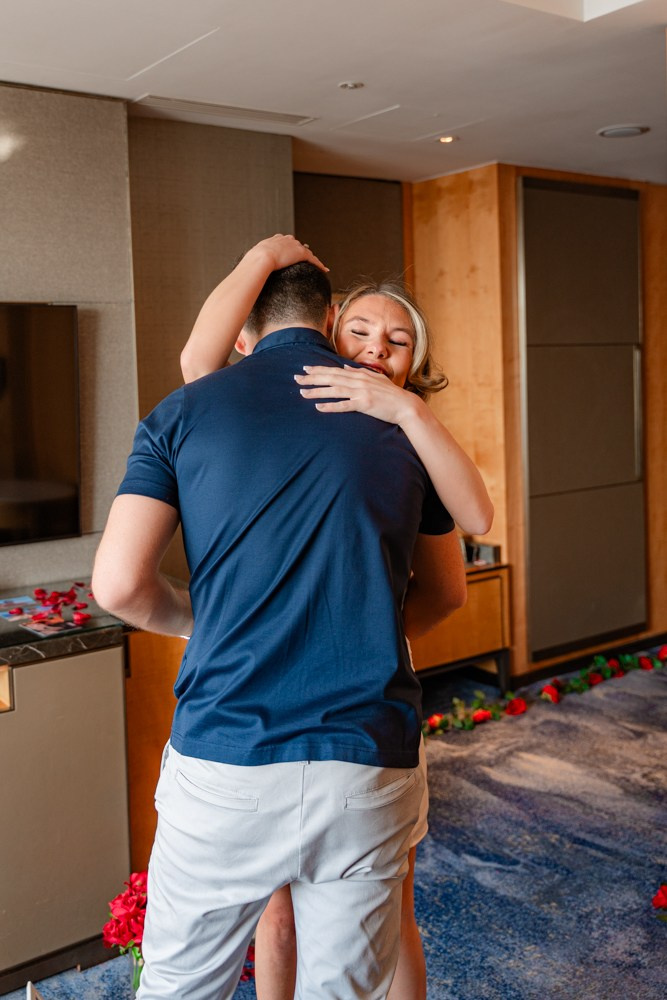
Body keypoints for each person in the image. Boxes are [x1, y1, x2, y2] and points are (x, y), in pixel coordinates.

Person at [92, 249, 469, 1000]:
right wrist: (363, 635)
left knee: (180, 986)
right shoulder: (401, 426)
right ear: (330, 322)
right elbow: (446, 593)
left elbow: (119, 586)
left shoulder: (184, 409)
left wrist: (200, 625)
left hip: (225, 753)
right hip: (365, 751)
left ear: (244, 331)